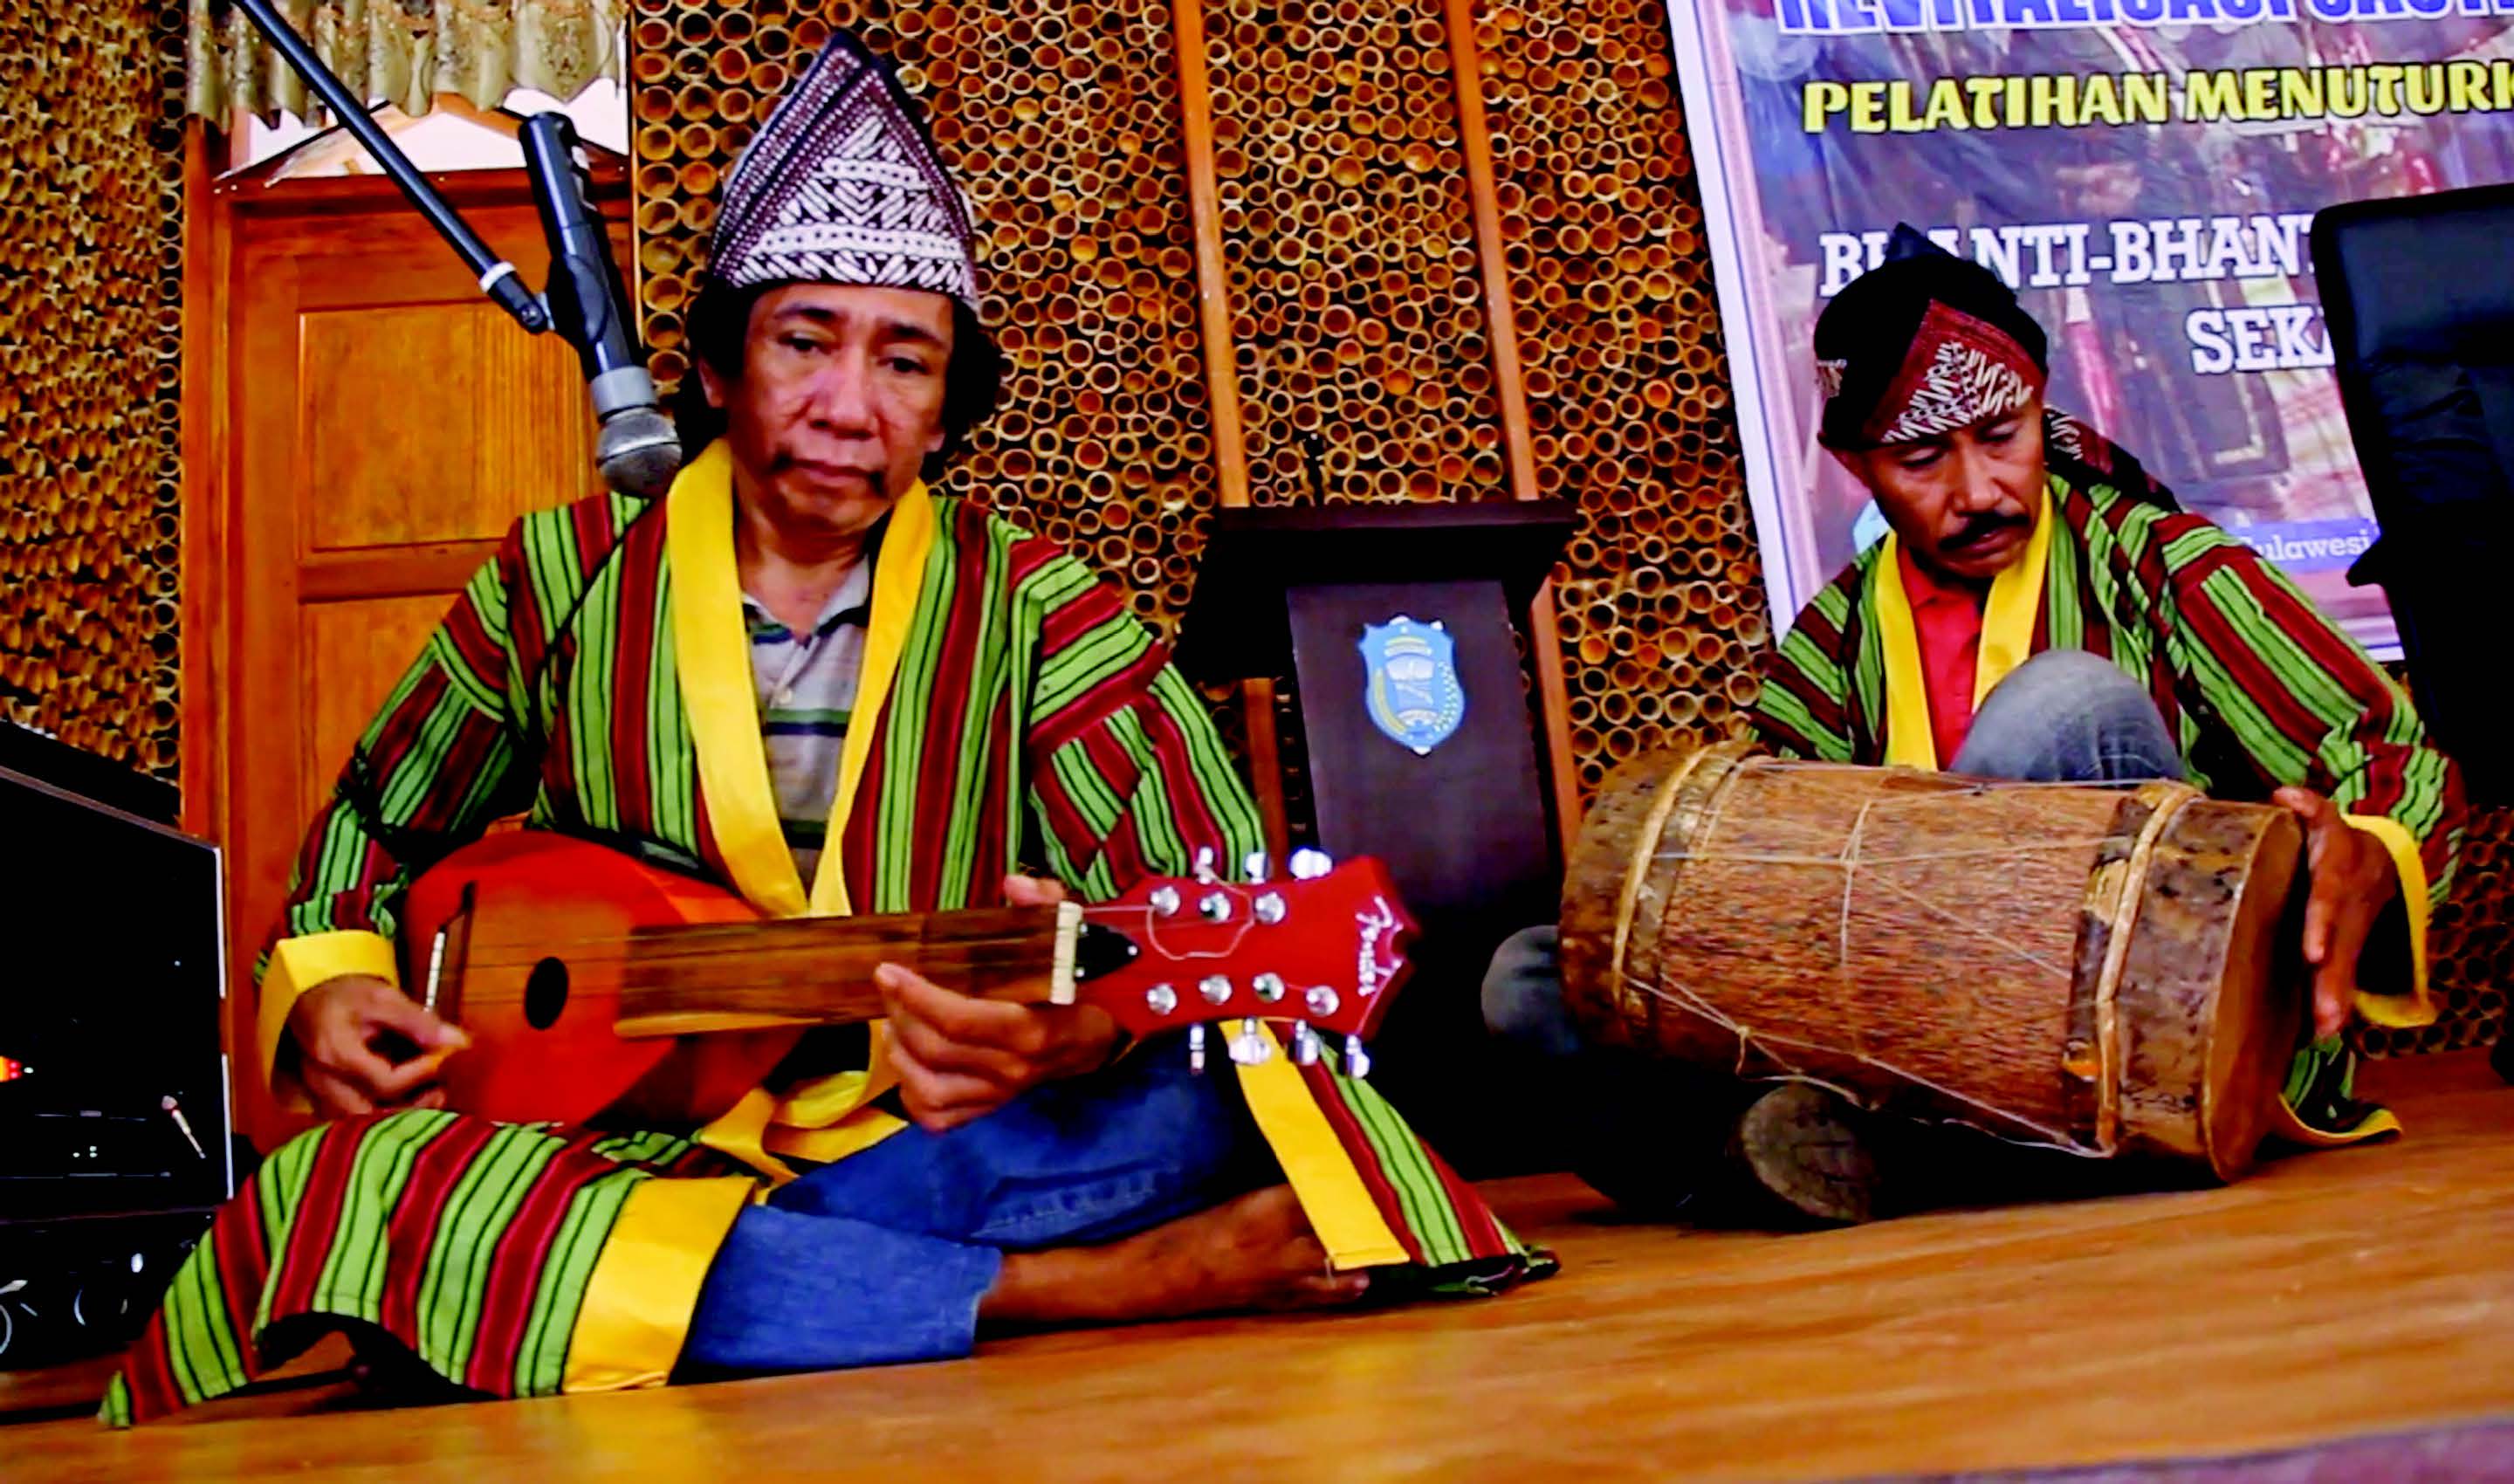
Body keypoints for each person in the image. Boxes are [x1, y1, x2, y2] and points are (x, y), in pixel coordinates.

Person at [106, 31, 1547, 1426]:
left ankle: (746, 1300)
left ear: (943, 413)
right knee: (350, 1188)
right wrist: (336, 985)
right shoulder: (562, 581)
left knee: (1244, 1106)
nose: (852, 406)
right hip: (612, 1145)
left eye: (906, 363)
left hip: (936, 1145)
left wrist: (1078, 1027)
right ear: (722, 370)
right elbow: (373, 816)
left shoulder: (1046, 611)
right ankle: (1071, 1292)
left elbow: (1215, 891)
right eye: (806, 340)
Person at [1486, 228, 2464, 1226]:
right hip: (1902, 1030)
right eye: (1921, 459)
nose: (1979, 490)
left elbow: (2387, 752)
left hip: (2162, 1027)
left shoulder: (2162, 563)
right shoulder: (1831, 639)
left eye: (2004, 435)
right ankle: (1936, 1150)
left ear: (2042, 408)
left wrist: (2370, 850)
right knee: (1536, 973)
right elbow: (1770, 886)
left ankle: (1888, 1157)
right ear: (1856, 465)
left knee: (2062, 703)